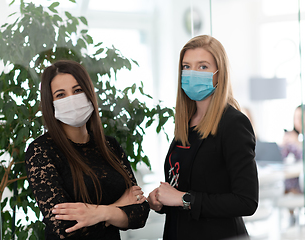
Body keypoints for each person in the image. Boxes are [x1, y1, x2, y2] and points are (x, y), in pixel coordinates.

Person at [147, 35, 259, 240]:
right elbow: (182, 184)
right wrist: (160, 200)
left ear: (219, 74)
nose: (192, 73)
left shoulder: (233, 123)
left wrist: (183, 199)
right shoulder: (186, 122)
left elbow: (246, 201)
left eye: (203, 66)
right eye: (186, 66)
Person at [25, 60, 150, 240]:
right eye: (61, 95)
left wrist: (99, 214)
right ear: (50, 103)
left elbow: (140, 212)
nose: (72, 99)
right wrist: (115, 209)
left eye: (77, 91)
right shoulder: (41, 152)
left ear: (89, 93)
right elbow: (65, 230)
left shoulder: (110, 146)